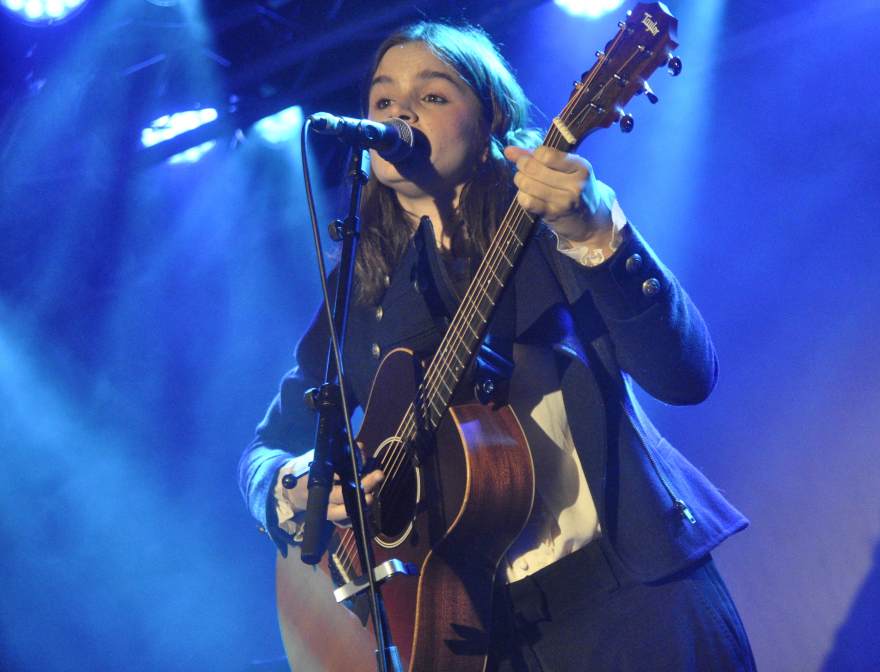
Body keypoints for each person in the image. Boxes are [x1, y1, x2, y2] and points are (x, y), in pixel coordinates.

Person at [239, 21, 757, 671]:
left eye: (431, 95)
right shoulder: (358, 293)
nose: (400, 113)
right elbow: (265, 448)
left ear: (491, 118)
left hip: (628, 600)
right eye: (383, 99)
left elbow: (686, 376)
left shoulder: (555, 225)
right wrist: (290, 486)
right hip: (472, 638)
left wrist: (599, 237)